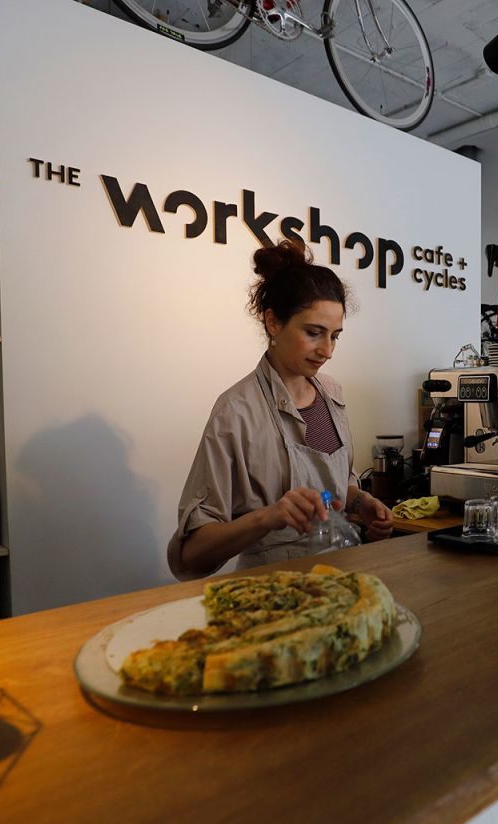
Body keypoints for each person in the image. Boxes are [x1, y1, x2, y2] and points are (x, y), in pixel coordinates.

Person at [167, 240, 393, 580]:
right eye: (314, 333)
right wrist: (269, 516)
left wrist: (360, 503)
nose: (327, 350)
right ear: (273, 322)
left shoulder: (332, 393)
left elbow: (332, 492)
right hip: (272, 590)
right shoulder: (236, 412)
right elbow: (190, 555)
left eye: (335, 336)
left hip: (342, 578)